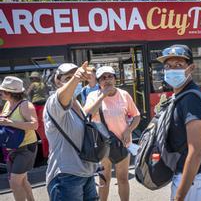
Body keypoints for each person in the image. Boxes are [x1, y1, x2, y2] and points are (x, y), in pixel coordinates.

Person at [156, 44, 201, 201]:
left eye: (179, 65)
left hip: (195, 179)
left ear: (191, 68)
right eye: (168, 66)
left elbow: (196, 152)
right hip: (192, 177)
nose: (171, 70)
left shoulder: (190, 99)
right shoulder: (181, 94)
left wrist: (179, 196)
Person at [44, 62, 99, 201]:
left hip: (86, 174)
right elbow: (62, 98)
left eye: (76, 77)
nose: (75, 81)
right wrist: (75, 78)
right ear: (57, 81)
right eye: (67, 78)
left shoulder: (77, 103)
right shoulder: (53, 101)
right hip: (66, 176)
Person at [84, 66, 141, 201]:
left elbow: (137, 116)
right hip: (103, 146)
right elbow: (88, 113)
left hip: (123, 143)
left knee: (123, 179)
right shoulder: (93, 95)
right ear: (98, 82)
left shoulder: (124, 95)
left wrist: (129, 129)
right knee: (104, 180)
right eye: (103, 78)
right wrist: (103, 95)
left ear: (115, 79)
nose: (107, 80)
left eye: (110, 76)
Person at [0, 76, 38, 201]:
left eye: (3, 91)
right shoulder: (7, 104)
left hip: (25, 148)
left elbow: (35, 125)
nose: (0, 93)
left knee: (15, 183)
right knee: (22, 180)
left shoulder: (26, 105)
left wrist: (10, 122)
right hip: (12, 148)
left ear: (10, 93)